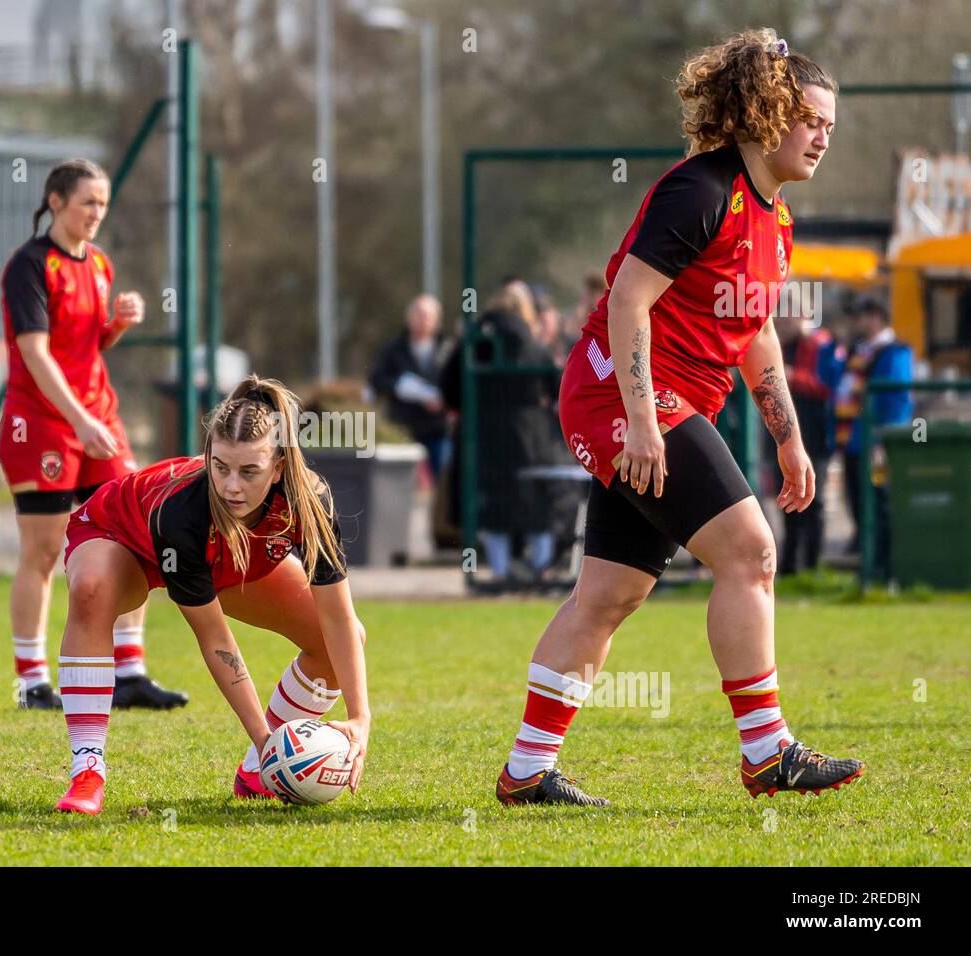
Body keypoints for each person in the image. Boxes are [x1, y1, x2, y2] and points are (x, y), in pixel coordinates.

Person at [495, 30, 864, 806]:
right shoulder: (702, 190)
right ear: (766, 116)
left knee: (608, 595)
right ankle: (767, 752)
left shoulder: (779, 222)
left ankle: (527, 772)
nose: (824, 135)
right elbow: (629, 300)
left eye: (831, 123)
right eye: (810, 120)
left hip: (666, 405)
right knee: (753, 551)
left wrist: (789, 438)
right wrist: (640, 420)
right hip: (619, 396)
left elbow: (756, 330)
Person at [51, 375, 370, 814]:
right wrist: (265, 742)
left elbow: (337, 619)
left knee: (343, 638)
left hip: (227, 557)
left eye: (249, 471)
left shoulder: (310, 503)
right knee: (91, 590)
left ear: (278, 467)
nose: (231, 486)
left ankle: (255, 776)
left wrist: (360, 719)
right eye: (220, 467)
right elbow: (216, 641)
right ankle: (88, 771)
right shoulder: (182, 513)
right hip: (121, 534)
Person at [0, 158, 188, 712]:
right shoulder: (29, 266)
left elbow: (85, 346)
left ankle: (128, 670)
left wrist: (117, 325)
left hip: (97, 418)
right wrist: (78, 420)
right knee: (44, 549)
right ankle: (31, 681)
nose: (95, 213)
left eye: (102, 204)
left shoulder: (99, 264)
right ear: (55, 202)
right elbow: (35, 353)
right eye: (86, 202)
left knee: (133, 535)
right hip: (42, 425)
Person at [441, 283, 558, 585]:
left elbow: (448, 388)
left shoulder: (473, 342)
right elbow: (556, 389)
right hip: (531, 437)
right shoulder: (536, 348)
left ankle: (501, 572)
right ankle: (542, 571)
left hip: (482, 436)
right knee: (537, 503)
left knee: (492, 506)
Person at [836, 297, 914, 577]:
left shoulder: (895, 352)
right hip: (853, 443)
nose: (854, 322)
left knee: (880, 506)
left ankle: (886, 571)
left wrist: (882, 441)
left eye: (860, 316)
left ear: (877, 316)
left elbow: (897, 400)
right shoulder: (859, 350)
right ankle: (870, 569)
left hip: (876, 445)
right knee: (860, 507)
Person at [766, 304, 839, 573]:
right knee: (788, 499)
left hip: (815, 436)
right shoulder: (784, 344)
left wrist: (791, 377)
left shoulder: (821, 345)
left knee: (813, 499)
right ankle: (790, 567)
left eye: (788, 315)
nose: (782, 321)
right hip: (784, 437)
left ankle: (812, 565)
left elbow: (827, 386)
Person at [368, 294, 453, 478]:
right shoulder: (393, 350)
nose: (423, 321)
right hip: (403, 429)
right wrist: (398, 387)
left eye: (428, 316)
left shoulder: (448, 350)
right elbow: (377, 380)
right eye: (419, 315)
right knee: (399, 483)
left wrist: (443, 400)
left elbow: (457, 385)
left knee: (445, 482)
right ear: (409, 318)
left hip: (438, 429)